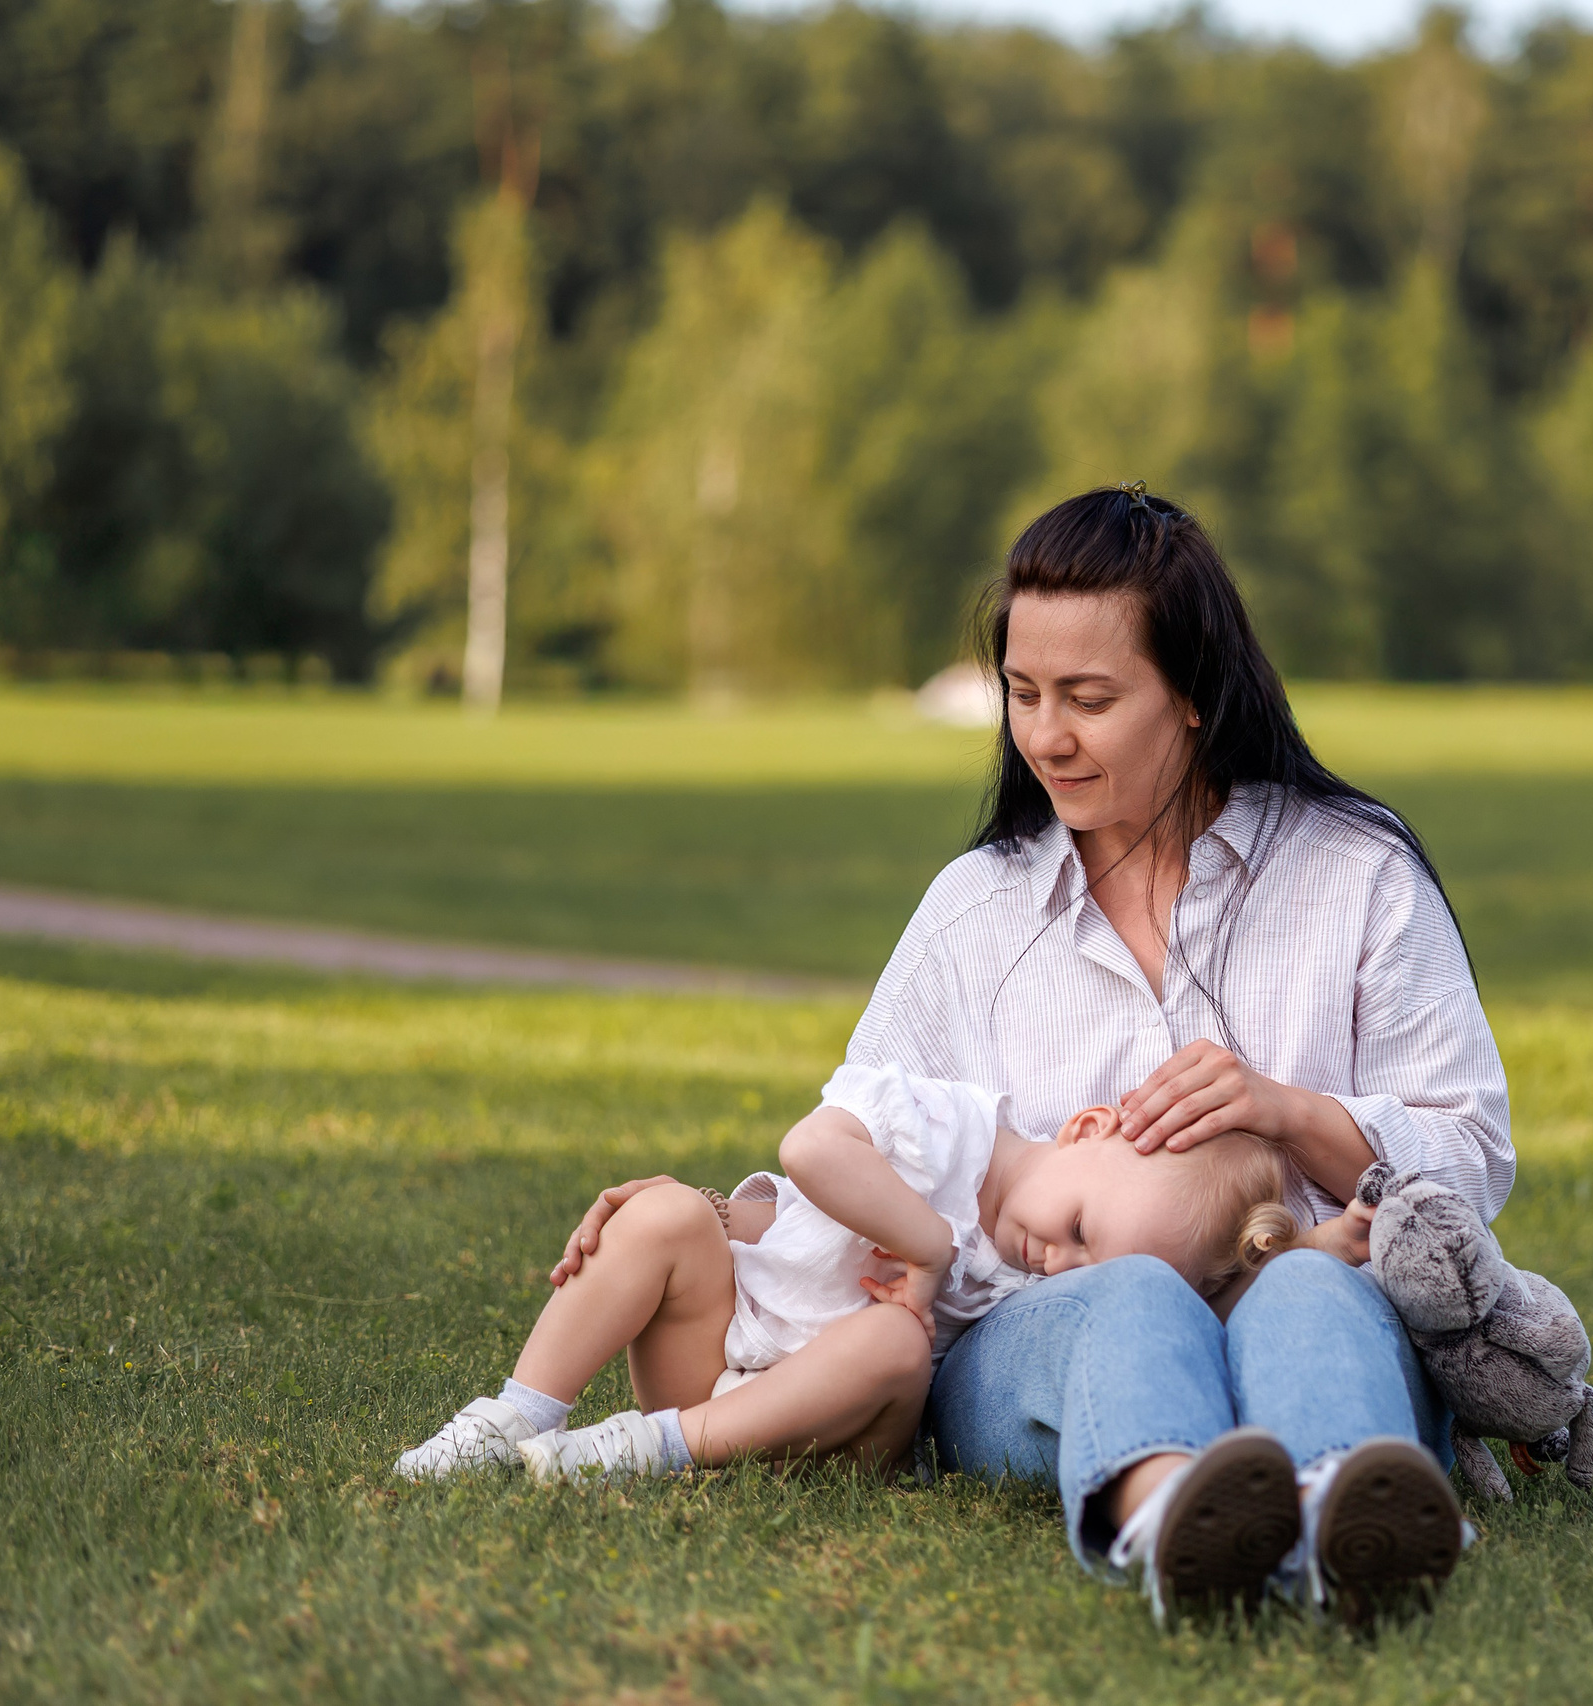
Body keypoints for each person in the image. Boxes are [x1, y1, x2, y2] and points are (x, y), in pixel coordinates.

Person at [554, 485, 1514, 1625]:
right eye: (1023, 692)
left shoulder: (1354, 872)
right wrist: (709, 1215)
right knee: (1134, 1291)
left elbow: (1473, 1157)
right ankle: (1174, 1519)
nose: (1045, 734)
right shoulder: (977, 910)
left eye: (1090, 698)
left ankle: (1346, 1515)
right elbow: (876, 1139)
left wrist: (1288, 1110)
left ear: (1196, 692)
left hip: (1311, 1289)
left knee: (1309, 1282)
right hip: (1035, 1340)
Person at [394, 1062, 1312, 1486]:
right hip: (716, 1357)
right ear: (1084, 1130)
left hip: (834, 1430)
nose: (1057, 1262)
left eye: (1086, 1266)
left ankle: (644, 1448)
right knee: (667, 1212)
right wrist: (926, 1245)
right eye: (1079, 1228)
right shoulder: (946, 1127)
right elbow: (810, 1152)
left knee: (892, 1341)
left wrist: (1311, 1249)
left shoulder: (1037, 1281)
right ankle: (515, 1413)